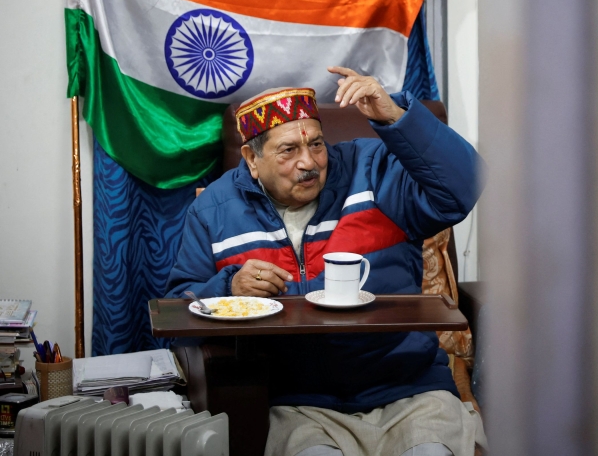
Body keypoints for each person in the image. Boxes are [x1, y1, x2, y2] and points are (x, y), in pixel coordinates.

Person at [165, 67, 486, 456]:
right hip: (299, 402)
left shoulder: (372, 169)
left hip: (410, 388)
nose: (309, 163)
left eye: (316, 144)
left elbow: (463, 188)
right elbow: (178, 317)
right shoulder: (214, 211)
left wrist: (394, 116)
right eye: (289, 150)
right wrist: (228, 288)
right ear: (251, 158)